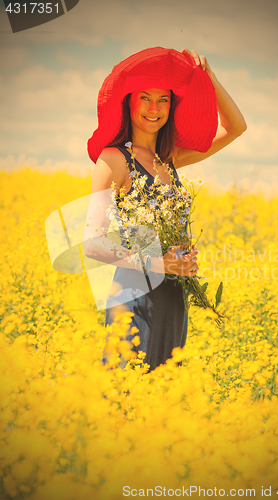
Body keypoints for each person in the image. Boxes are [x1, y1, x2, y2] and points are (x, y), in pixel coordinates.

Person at [84, 47, 247, 372]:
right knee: (126, 402)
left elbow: (236, 127)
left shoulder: (169, 158)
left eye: (164, 100)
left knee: (162, 407)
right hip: (135, 297)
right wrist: (157, 262)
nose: (154, 108)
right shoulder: (113, 160)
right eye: (144, 97)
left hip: (173, 296)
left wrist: (209, 78)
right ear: (128, 101)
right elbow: (92, 243)